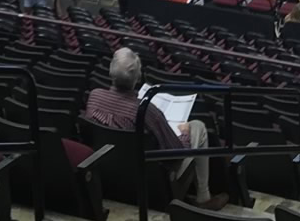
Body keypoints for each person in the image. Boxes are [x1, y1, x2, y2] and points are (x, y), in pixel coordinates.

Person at [83, 47, 223, 209]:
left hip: (110, 168)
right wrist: (184, 135)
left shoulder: (94, 96)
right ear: (137, 77)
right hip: (149, 174)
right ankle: (203, 198)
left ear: (111, 72)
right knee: (197, 126)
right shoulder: (147, 111)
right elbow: (175, 153)